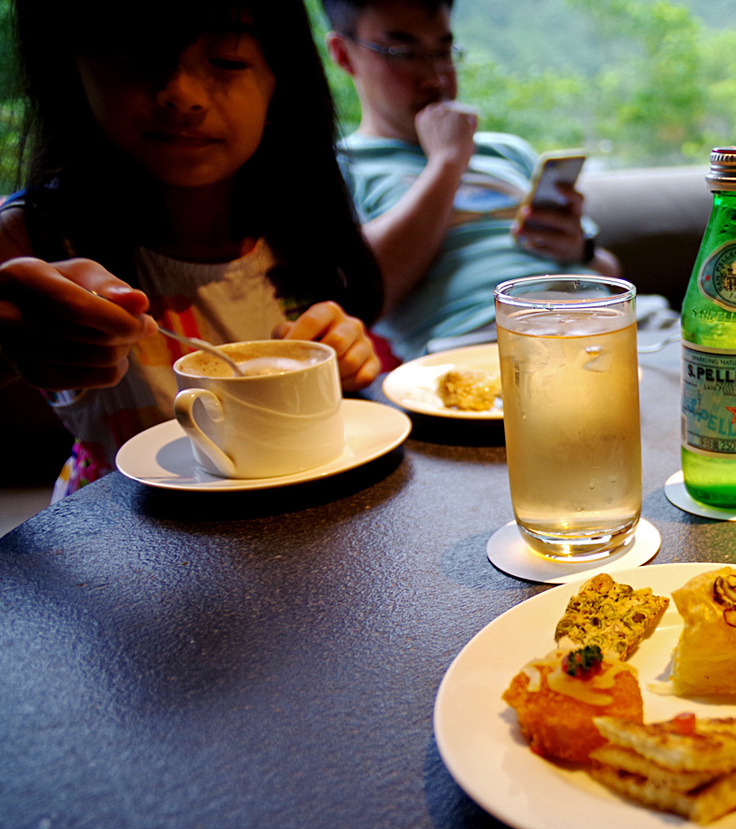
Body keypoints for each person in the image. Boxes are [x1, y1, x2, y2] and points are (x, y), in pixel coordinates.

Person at [0, 0, 384, 498]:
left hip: (285, 525)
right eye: (137, 56)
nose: (182, 95)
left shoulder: (301, 235)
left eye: (227, 61)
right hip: (116, 537)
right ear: (71, 69)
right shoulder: (33, 239)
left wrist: (344, 364)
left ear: (279, 82)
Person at [321, 0, 621, 361]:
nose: (436, 78)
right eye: (403, 52)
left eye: (444, 51)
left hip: (611, 324)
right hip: (479, 348)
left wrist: (580, 250)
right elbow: (362, 299)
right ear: (342, 53)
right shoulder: (340, 168)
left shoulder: (509, 151)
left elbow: (610, 272)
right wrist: (447, 162)